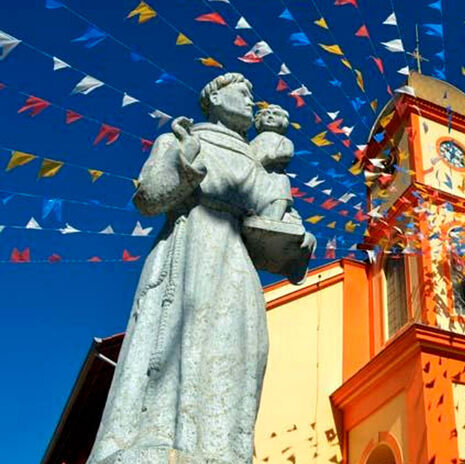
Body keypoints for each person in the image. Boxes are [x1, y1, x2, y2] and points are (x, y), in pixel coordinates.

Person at [87, 73, 313, 464]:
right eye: (242, 92)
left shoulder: (258, 164)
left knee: (241, 349)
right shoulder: (179, 139)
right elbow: (148, 199)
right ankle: (155, 434)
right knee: (179, 338)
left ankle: (225, 449)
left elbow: (272, 216)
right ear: (214, 97)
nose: (250, 101)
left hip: (237, 263)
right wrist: (185, 166)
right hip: (189, 249)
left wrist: (296, 239)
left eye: (250, 93)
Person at [249, 104, 294, 223]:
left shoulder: (283, 140)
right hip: (256, 175)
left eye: (276, 114)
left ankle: (275, 219)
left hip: (276, 174)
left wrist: (271, 157)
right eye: (266, 114)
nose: (270, 117)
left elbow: (288, 153)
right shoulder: (254, 141)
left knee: (280, 194)